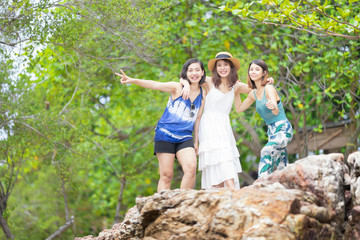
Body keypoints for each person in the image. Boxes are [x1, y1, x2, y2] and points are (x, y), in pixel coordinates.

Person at [115, 58, 206, 193]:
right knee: (166, 175)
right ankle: (162, 210)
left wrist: (196, 142)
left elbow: (197, 119)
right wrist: (132, 80)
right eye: (190, 70)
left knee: (191, 168)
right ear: (186, 73)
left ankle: (183, 204)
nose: (194, 73)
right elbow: (155, 84)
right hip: (165, 134)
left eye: (197, 70)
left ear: (203, 72)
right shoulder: (177, 87)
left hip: (185, 136)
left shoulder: (203, 93)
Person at [182, 52, 259, 190]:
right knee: (215, 173)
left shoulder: (236, 86)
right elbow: (185, 78)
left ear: (231, 67)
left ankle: (231, 198)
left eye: (226, 65)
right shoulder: (209, 82)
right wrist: (186, 86)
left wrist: (268, 81)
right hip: (208, 127)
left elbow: (258, 88)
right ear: (215, 68)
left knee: (226, 167)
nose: (222, 68)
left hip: (224, 128)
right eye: (219, 65)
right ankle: (226, 197)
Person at [234, 59, 293, 178]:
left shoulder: (269, 88)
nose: (253, 71)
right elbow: (239, 108)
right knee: (282, 167)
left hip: (283, 129)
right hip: (271, 132)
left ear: (264, 73)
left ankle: (261, 184)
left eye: (257, 69)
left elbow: (276, 110)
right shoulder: (253, 94)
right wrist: (236, 92)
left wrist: (273, 107)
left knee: (266, 151)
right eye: (251, 69)